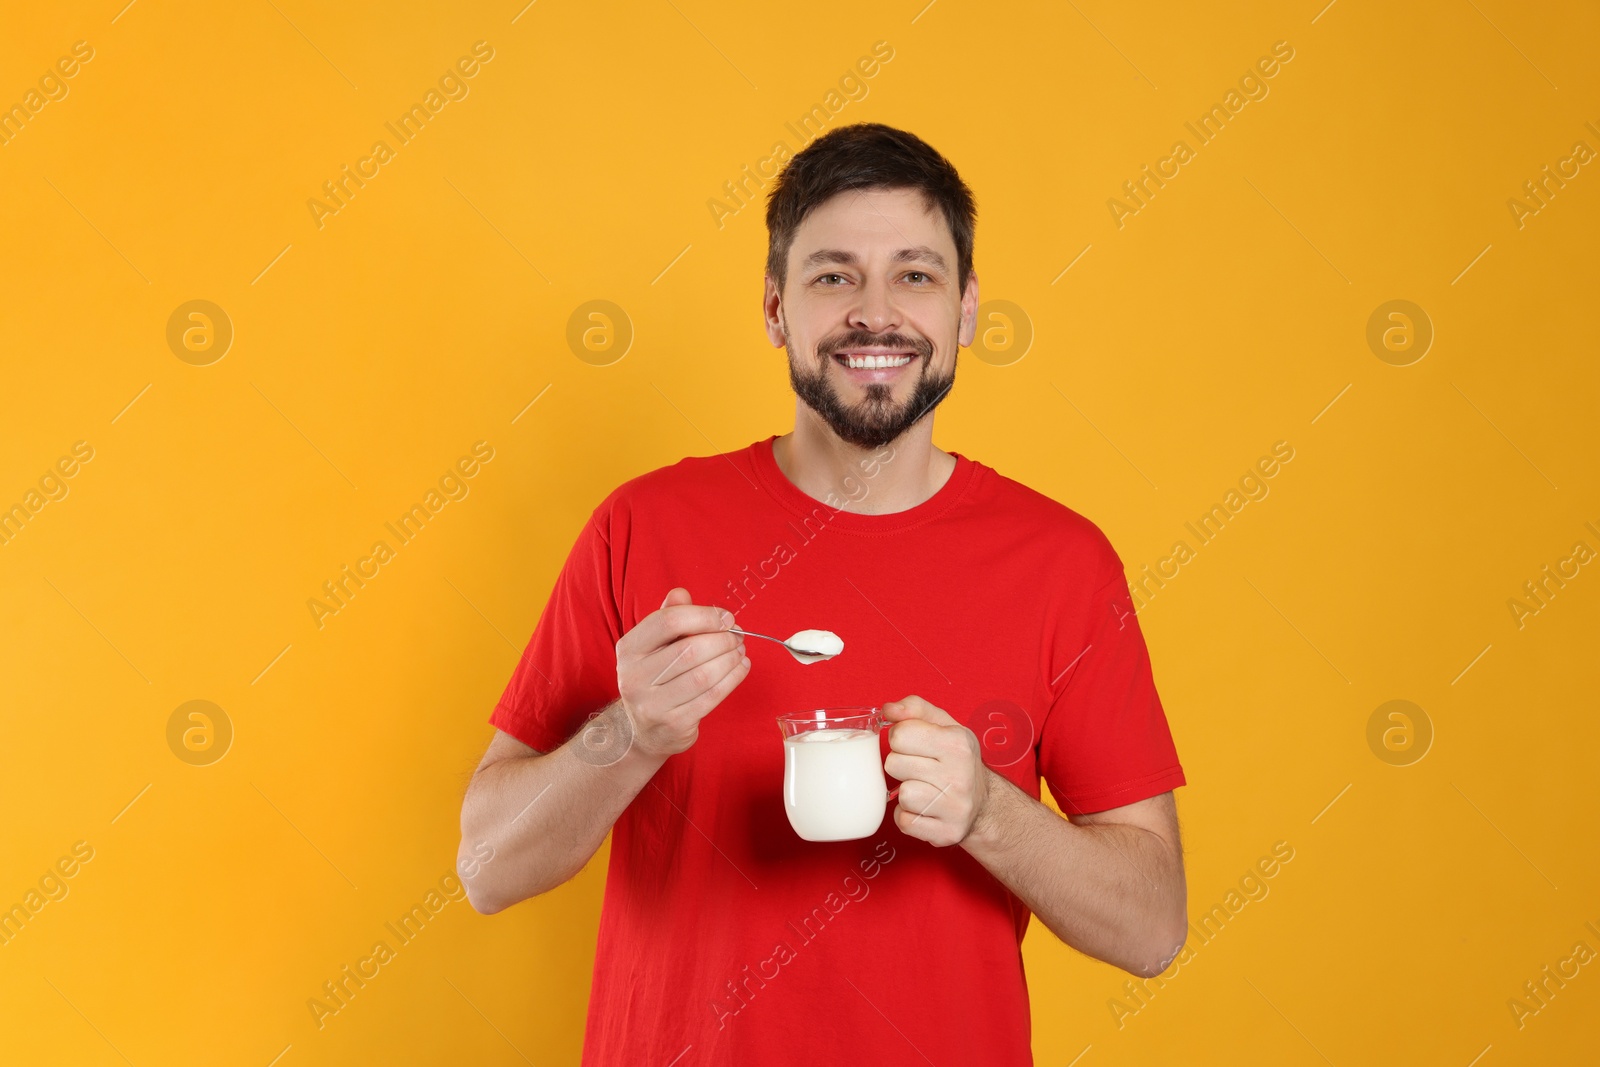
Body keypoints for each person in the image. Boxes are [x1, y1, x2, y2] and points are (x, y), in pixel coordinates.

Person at [457, 122, 1188, 1066]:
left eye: (915, 275)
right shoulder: (643, 528)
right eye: (834, 275)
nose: (874, 315)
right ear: (774, 308)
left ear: (966, 308)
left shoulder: (1063, 563)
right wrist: (629, 732)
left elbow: (1153, 929)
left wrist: (990, 814)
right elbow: (485, 867)